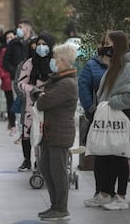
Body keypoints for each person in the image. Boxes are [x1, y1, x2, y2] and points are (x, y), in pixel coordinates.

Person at [94, 30, 130, 210]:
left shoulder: (128, 66)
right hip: (109, 115)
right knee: (106, 154)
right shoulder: (116, 64)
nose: (105, 47)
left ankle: (121, 197)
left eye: (108, 43)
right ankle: (106, 193)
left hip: (118, 115)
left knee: (119, 155)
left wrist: (112, 102)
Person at [32, 42, 78, 221]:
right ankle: (54, 205)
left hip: (59, 133)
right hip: (50, 132)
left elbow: (43, 101)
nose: (53, 61)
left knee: (57, 171)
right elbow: (38, 93)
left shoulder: (66, 83)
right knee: (45, 167)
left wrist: (39, 95)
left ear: (64, 61)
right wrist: (39, 94)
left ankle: (61, 208)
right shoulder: (57, 79)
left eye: (56, 58)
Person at [78, 36, 110, 207]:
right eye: (106, 44)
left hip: (118, 117)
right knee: (100, 155)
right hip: (98, 117)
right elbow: (83, 87)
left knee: (117, 155)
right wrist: (91, 109)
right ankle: (100, 191)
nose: (109, 47)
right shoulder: (92, 65)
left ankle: (116, 193)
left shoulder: (124, 65)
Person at [17, 31, 54, 171]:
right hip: (30, 105)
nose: (41, 47)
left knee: (43, 134)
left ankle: (40, 162)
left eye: (45, 44)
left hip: (49, 104)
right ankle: (27, 160)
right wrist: (33, 89)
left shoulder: (54, 63)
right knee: (27, 133)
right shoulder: (29, 63)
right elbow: (21, 83)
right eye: (39, 44)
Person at [0, 30, 17, 135]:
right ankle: (12, 122)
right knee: (10, 102)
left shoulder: (19, 48)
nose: (9, 39)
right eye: (7, 37)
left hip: (17, 79)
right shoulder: (4, 49)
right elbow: (0, 64)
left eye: (11, 37)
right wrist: (3, 76)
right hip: (7, 80)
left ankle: (15, 123)